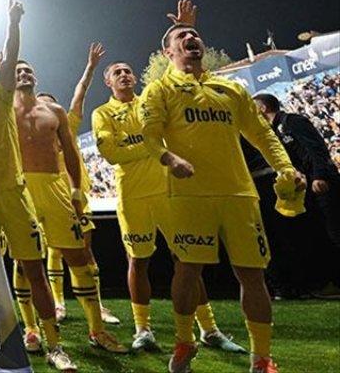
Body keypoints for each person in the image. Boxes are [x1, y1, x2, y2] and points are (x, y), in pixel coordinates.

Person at [141, 19, 306, 373]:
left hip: (239, 194)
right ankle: (185, 341)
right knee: (188, 270)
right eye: (182, 36)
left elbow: (262, 134)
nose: (191, 37)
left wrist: (285, 167)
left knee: (253, 276)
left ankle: (261, 358)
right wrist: (169, 158)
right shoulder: (160, 89)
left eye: (194, 33)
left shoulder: (231, 89)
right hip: (189, 196)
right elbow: (149, 136)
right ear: (168, 52)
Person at [93, 49, 244, 354]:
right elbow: (111, 154)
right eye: (117, 72)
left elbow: (141, 144)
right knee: (138, 261)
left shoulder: (152, 100)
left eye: (127, 70)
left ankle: (209, 329)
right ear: (108, 82)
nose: (124, 75)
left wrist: (138, 146)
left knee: (187, 259)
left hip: (169, 191)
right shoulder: (102, 113)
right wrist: (152, 146)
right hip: (133, 197)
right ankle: (142, 329)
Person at [0, 0, 74, 372]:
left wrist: (12, 22)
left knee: (34, 269)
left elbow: (10, 58)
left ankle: (54, 345)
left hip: (13, 194)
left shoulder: (0, 97)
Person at [11, 58, 128, 355]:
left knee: (78, 256)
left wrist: (75, 192)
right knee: (24, 262)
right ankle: (31, 329)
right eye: (17, 71)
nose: (24, 73)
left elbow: (72, 153)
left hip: (55, 187)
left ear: (35, 77)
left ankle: (96, 330)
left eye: (28, 70)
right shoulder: (3, 109)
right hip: (20, 189)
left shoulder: (55, 111)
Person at [36, 43, 118, 327]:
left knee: (85, 250)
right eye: (40, 103)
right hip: (49, 196)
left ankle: (98, 305)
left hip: (76, 196)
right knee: (53, 251)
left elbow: (79, 92)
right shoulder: (33, 134)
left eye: (50, 102)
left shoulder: (67, 124)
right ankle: (58, 303)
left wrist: (91, 67)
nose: (46, 107)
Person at [252, 93, 340, 298]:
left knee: (335, 232)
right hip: (307, 188)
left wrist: (319, 176)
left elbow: (317, 149)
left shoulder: (292, 122)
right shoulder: (272, 132)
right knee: (322, 234)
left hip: (322, 184)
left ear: (263, 108)